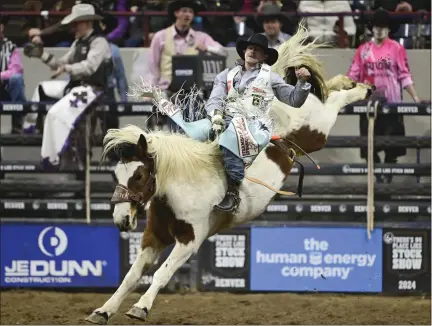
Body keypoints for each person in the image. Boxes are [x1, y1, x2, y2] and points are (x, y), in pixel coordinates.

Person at [205, 34, 311, 212]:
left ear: (264, 57)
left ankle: (232, 193)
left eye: (258, 50)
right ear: (244, 51)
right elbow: (215, 99)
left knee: (231, 135)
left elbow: (294, 100)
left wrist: (302, 82)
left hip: (254, 126)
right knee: (196, 130)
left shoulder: (271, 77)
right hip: (225, 120)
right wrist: (216, 116)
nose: (253, 51)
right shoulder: (226, 75)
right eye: (250, 48)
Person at [23, 3, 113, 168]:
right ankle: (30, 127)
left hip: (92, 89)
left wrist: (66, 68)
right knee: (42, 87)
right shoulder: (78, 43)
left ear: (86, 22)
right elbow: (60, 63)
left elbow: (89, 66)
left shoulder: (99, 42)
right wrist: (42, 55)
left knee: (56, 113)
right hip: (75, 86)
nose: (73, 27)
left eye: (76, 23)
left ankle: (55, 154)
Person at [347, 8, 421, 183]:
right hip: (369, 106)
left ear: (388, 28)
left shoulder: (397, 49)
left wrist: (415, 97)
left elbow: (404, 75)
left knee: (392, 148)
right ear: (372, 28)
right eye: (377, 26)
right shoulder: (363, 50)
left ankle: (386, 176)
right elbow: (352, 75)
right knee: (368, 146)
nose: (379, 30)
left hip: (392, 105)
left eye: (383, 26)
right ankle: (378, 174)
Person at [145, 0, 227, 93]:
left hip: (192, 91)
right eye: (184, 11)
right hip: (166, 89)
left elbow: (223, 52)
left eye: (191, 12)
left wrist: (208, 48)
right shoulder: (160, 36)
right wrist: (151, 91)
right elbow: (152, 67)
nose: (188, 14)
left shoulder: (201, 37)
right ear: (176, 13)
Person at [0, 14, 27, 133]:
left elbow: (16, 70)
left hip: (6, 88)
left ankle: (17, 125)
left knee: (17, 79)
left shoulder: (10, 47)